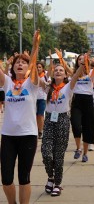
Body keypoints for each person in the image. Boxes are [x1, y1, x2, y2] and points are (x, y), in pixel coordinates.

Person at [0, 30, 40, 204]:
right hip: (8, 136)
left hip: (28, 135)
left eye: (24, 62)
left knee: (24, 177)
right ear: (13, 67)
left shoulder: (31, 84)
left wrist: (34, 45)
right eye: (17, 62)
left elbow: (33, 62)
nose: (20, 64)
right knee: (6, 179)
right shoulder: (7, 83)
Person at [41, 63, 84, 197]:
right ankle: (51, 177)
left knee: (58, 156)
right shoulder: (48, 87)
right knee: (46, 153)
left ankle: (58, 183)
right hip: (49, 120)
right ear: (53, 74)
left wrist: (83, 64)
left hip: (62, 120)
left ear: (65, 74)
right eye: (56, 70)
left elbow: (77, 75)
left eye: (61, 70)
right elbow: (35, 79)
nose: (58, 72)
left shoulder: (68, 87)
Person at [71, 50, 94, 162]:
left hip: (88, 101)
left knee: (87, 127)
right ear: (77, 62)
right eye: (79, 59)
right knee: (75, 124)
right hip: (77, 101)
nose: (81, 61)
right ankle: (78, 148)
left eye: (83, 59)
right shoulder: (74, 73)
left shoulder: (91, 74)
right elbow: (64, 68)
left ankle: (85, 153)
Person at [36, 61, 47, 139]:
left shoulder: (45, 75)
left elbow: (50, 69)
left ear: (43, 69)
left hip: (42, 98)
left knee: (40, 115)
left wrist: (50, 58)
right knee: (35, 116)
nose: (38, 68)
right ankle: (36, 130)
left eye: (40, 67)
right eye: (37, 67)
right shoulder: (32, 76)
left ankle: (41, 131)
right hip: (33, 98)